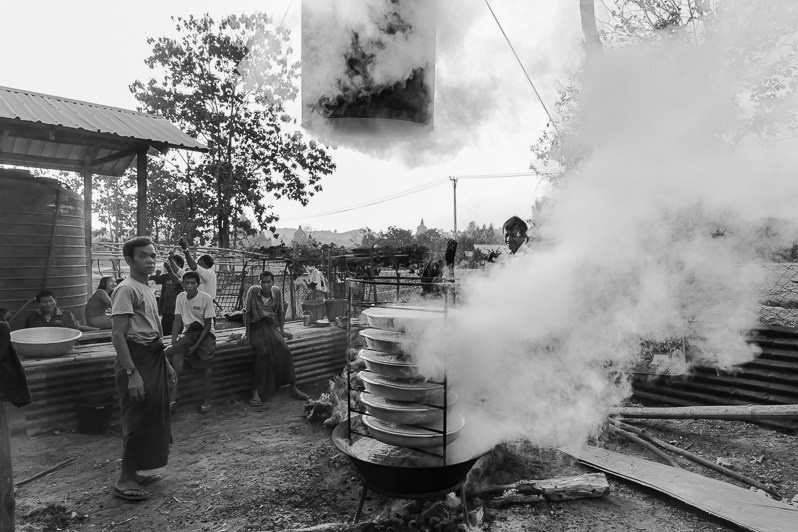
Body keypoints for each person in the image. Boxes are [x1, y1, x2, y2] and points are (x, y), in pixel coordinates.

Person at [110, 236, 177, 502]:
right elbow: (118, 336)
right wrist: (131, 372)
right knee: (136, 417)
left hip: (153, 357)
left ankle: (137, 470)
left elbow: (152, 330)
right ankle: (124, 478)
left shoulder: (146, 287)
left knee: (152, 415)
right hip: (135, 360)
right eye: (143, 256)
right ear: (129, 260)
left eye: (152, 255)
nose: (150, 260)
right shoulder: (126, 289)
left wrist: (167, 364)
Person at [240, 271, 307, 406]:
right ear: (259, 283)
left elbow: (281, 312)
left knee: (285, 350)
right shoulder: (253, 291)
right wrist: (247, 333)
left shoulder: (276, 291)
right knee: (262, 353)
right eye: (262, 282)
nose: (265, 285)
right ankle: (256, 392)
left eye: (268, 282)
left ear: (272, 283)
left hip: (270, 326)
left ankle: (293, 387)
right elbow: (247, 313)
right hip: (255, 327)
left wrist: (282, 330)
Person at [166, 271, 216, 414]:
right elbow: (177, 321)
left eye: (192, 283)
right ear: (182, 284)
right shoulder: (180, 297)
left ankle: (207, 399)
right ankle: (173, 396)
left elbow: (207, 325)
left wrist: (195, 347)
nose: (189, 286)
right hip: (189, 332)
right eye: (186, 283)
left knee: (206, 363)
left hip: (205, 333)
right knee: (174, 353)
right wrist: (174, 342)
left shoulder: (206, 298)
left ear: (198, 284)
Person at [24, 290, 98, 331]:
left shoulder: (67, 315)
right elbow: (29, 335)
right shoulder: (33, 318)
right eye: (44, 302)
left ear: (55, 301)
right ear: (38, 304)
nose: (48, 304)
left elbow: (74, 332)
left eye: (51, 301)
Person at [150, 255, 184, 335]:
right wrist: (155, 275)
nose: (169, 263)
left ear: (178, 265)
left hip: (178, 310)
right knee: (165, 333)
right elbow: (151, 278)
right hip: (166, 310)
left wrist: (169, 269)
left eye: (172, 262)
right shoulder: (166, 276)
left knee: (177, 333)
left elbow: (177, 281)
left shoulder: (183, 275)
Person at [178, 237, 217, 304]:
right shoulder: (202, 274)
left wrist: (186, 250)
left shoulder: (208, 273)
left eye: (198, 261)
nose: (196, 263)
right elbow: (181, 272)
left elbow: (193, 266)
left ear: (204, 263)